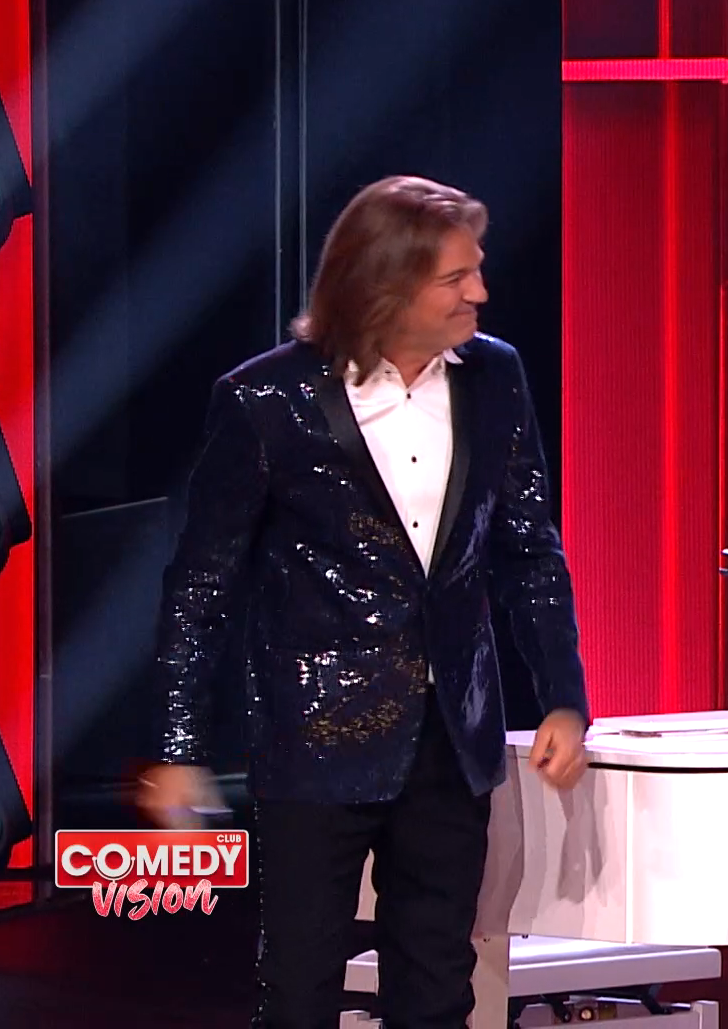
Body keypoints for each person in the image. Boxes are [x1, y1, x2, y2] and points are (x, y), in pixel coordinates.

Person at [139, 175, 592, 1029]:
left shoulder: (495, 377)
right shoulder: (265, 400)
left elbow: (529, 550)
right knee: (300, 994)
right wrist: (175, 747)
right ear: (385, 283)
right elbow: (200, 588)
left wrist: (564, 696)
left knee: (437, 992)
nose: (480, 292)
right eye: (455, 278)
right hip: (314, 739)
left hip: (451, 738)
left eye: (477, 269)